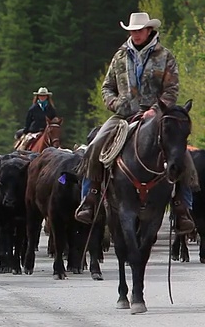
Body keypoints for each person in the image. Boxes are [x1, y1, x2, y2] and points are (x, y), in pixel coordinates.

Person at [74, 12, 196, 235]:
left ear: (149, 30)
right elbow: (106, 87)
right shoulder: (120, 56)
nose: (135, 34)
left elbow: (172, 89)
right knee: (95, 145)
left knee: (181, 154)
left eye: (139, 30)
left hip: (157, 116)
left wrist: (156, 110)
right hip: (123, 116)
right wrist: (116, 103)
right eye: (132, 30)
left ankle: (182, 208)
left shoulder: (165, 56)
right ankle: (89, 198)